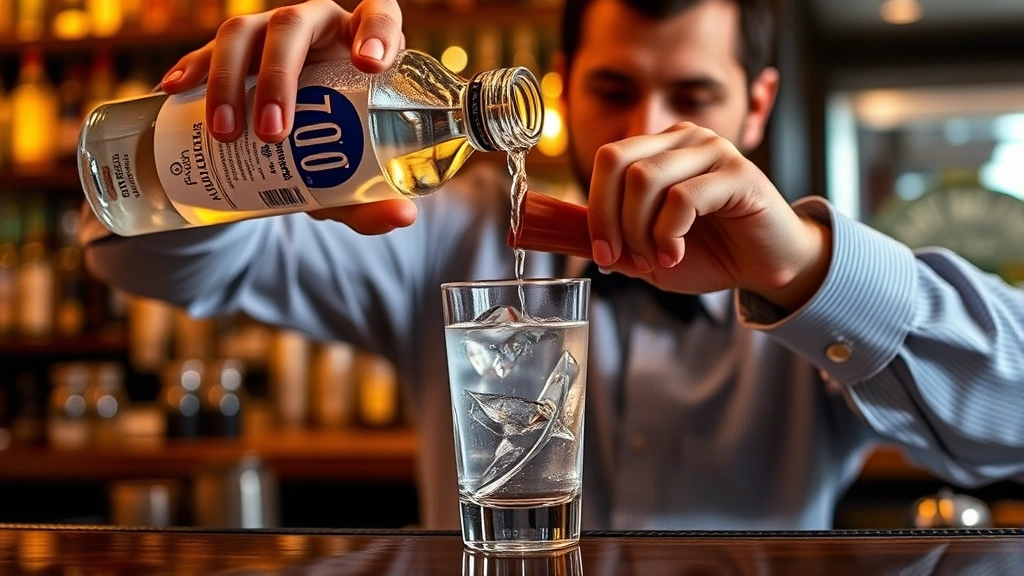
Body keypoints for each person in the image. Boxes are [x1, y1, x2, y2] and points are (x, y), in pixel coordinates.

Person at [80, 0, 1024, 530]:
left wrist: (813, 273)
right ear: (562, 90)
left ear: (757, 104)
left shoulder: (808, 287)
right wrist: (233, 129)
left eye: (692, 92)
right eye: (615, 89)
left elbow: (1009, 430)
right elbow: (161, 270)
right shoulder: (437, 233)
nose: (649, 128)